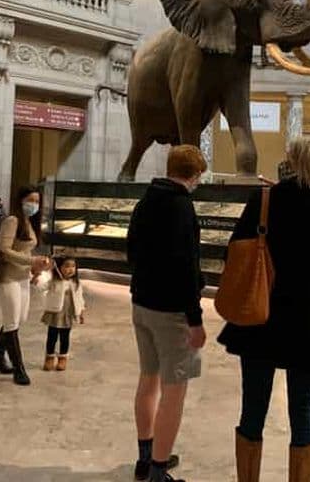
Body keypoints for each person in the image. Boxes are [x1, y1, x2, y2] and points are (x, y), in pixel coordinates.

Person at [217, 137, 310, 482]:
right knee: (304, 406)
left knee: (253, 406)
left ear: (291, 160)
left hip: (262, 308)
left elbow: (235, 249)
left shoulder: (265, 198)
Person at [127, 145, 208, 482]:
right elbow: (186, 267)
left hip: (141, 303)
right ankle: (160, 470)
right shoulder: (181, 207)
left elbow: (130, 250)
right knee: (174, 391)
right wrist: (195, 319)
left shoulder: (145, 201)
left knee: (148, 379)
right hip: (170, 311)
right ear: (194, 175)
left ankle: (146, 457)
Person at [0, 185, 51, 386]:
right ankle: (19, 369)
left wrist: (35, 267)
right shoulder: (12, 220)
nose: (34, 205)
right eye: (31, 200)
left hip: (22, 276)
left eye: (37, 201)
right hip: (7, 277)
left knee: (18, 319)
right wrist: (31, 261)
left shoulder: (29, 222)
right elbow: (4, 249)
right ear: (21, 200)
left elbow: (26, 251)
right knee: (12, 322)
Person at [34, 255, 86, 372]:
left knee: (65, 337)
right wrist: (36, 279)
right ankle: (49, 357)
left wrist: (81, 311)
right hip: (55, 312)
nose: (70, 269)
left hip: (68, 313)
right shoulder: (54, 281)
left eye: (73, 266)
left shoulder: (76, 283)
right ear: (59, 268)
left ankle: (63, 358)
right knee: (52, 336)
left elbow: (80, 298)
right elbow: (41, 287)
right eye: (67, 266)